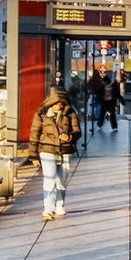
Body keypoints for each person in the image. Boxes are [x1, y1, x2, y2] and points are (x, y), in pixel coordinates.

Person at [29, 81, 81, 221]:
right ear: (52, 101)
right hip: (46, 150)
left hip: (65, 150)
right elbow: (34, 134)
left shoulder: (70, 114)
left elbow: (77, 131)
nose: (61, 105)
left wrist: (69, 137)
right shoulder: (41, 115)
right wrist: (33, 155)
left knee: (61, 180)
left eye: (63, 102)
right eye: (58, 102)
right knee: (49, 179)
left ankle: (60, 204)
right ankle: (48, 209)